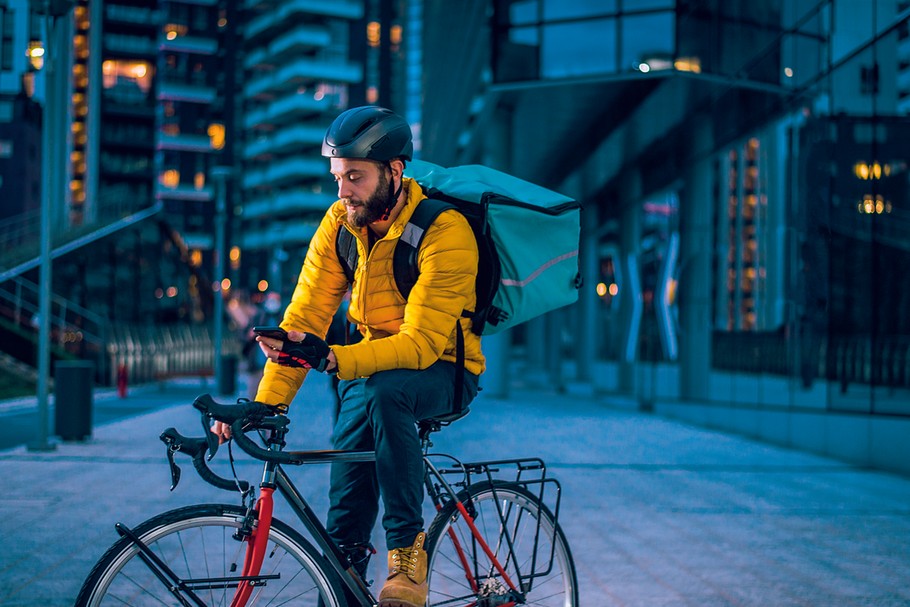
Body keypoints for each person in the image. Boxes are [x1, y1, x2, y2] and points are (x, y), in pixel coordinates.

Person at [211, 105, 485, 607]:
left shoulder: (445, 232)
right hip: (368, 373)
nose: (343, 191)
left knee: (386, 390)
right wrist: (267, 405)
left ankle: (407, 552)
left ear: (395, 171)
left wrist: (335, 361)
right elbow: (306, 318)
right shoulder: (341, 224)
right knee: (344, 527)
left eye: (355, 177)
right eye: (338, 176)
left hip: (444, 370)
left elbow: (422, 344)